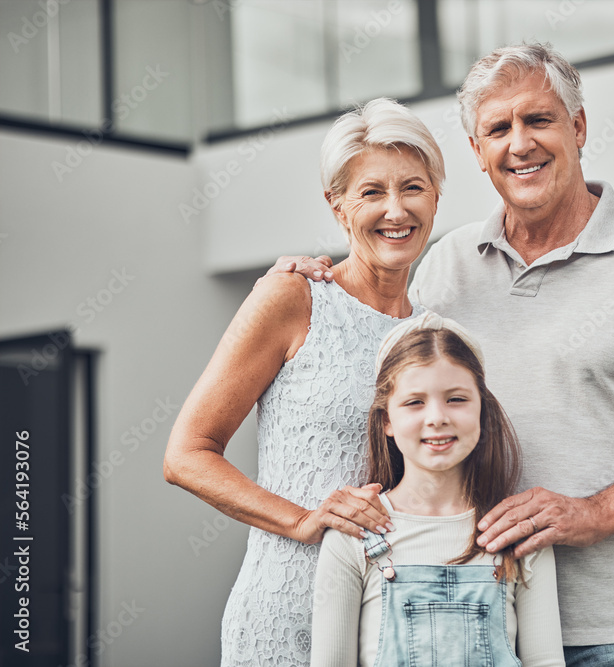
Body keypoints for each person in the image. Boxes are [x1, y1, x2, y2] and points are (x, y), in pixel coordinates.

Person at [270, 43, 614, 666]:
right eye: (497, 129)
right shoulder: (444, 266)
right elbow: (396, 366)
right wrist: (314, 274)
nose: (519, 143)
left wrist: (595, 513)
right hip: (472, 626)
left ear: (578, 126)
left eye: (538, 120)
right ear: (477, 152)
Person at [163, 97, 447, 665]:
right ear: (337, 206)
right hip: (287, 611)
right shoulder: (293, 296)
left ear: (436, 197)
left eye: (413, 187)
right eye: (372, 192)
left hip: (393, 623)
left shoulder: (435, 331)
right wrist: (301, 520)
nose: (396, 209)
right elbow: (187, 454)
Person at [310, 312, 564, 666]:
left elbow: (546, 661)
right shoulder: (353, 537)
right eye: (415, 402)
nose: (436, 417)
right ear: (387, 420)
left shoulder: (518, 534)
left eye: (456, 399)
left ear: (482, 411)